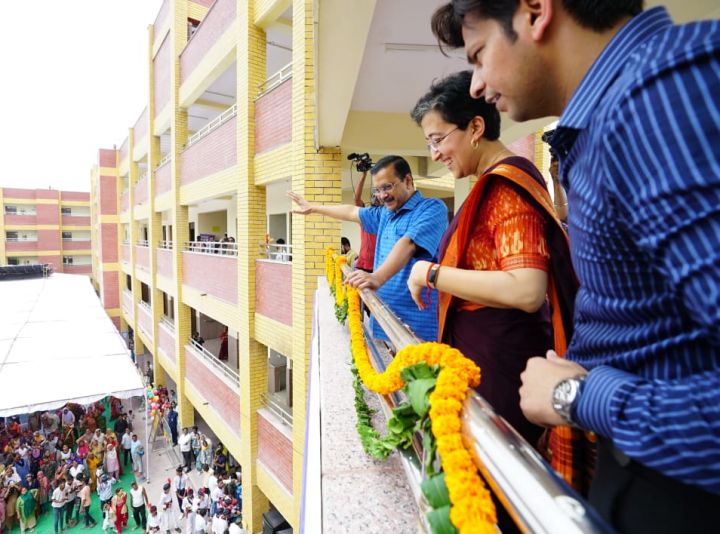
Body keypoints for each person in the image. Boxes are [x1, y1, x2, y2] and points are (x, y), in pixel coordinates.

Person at [433, 1, 720, 532]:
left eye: (479, 54)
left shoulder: (660, 99)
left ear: (535, 11)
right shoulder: (616, 115)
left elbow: (526, 287)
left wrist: (577, 396)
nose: (477, 84)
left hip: (680, 487)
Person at [407, 72, 578, 453]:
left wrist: (430, 273)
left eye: (437, 139)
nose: (434, 154)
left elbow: (526, 289)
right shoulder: (490, 183)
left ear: (475, 127)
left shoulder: (505, 187)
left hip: (503, 363)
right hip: (489, 353)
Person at [289, 155, 449, 341]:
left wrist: (376, 277)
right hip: (382, 321)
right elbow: (351, 211)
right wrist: (314, 208)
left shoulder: (432, 208)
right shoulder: (386, 214)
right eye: (377, 190)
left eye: (387, 187)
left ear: (407, 181)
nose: (382, 195)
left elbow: (408, 243)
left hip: (417, 327)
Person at [351, 170, 378, 273]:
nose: (375, 197)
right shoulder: (365, 215)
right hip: (363, 264)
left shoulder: (387, 216)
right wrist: (363, 175)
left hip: (379, 266)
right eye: (373, 195)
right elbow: (356, 198)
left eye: (377, 194)